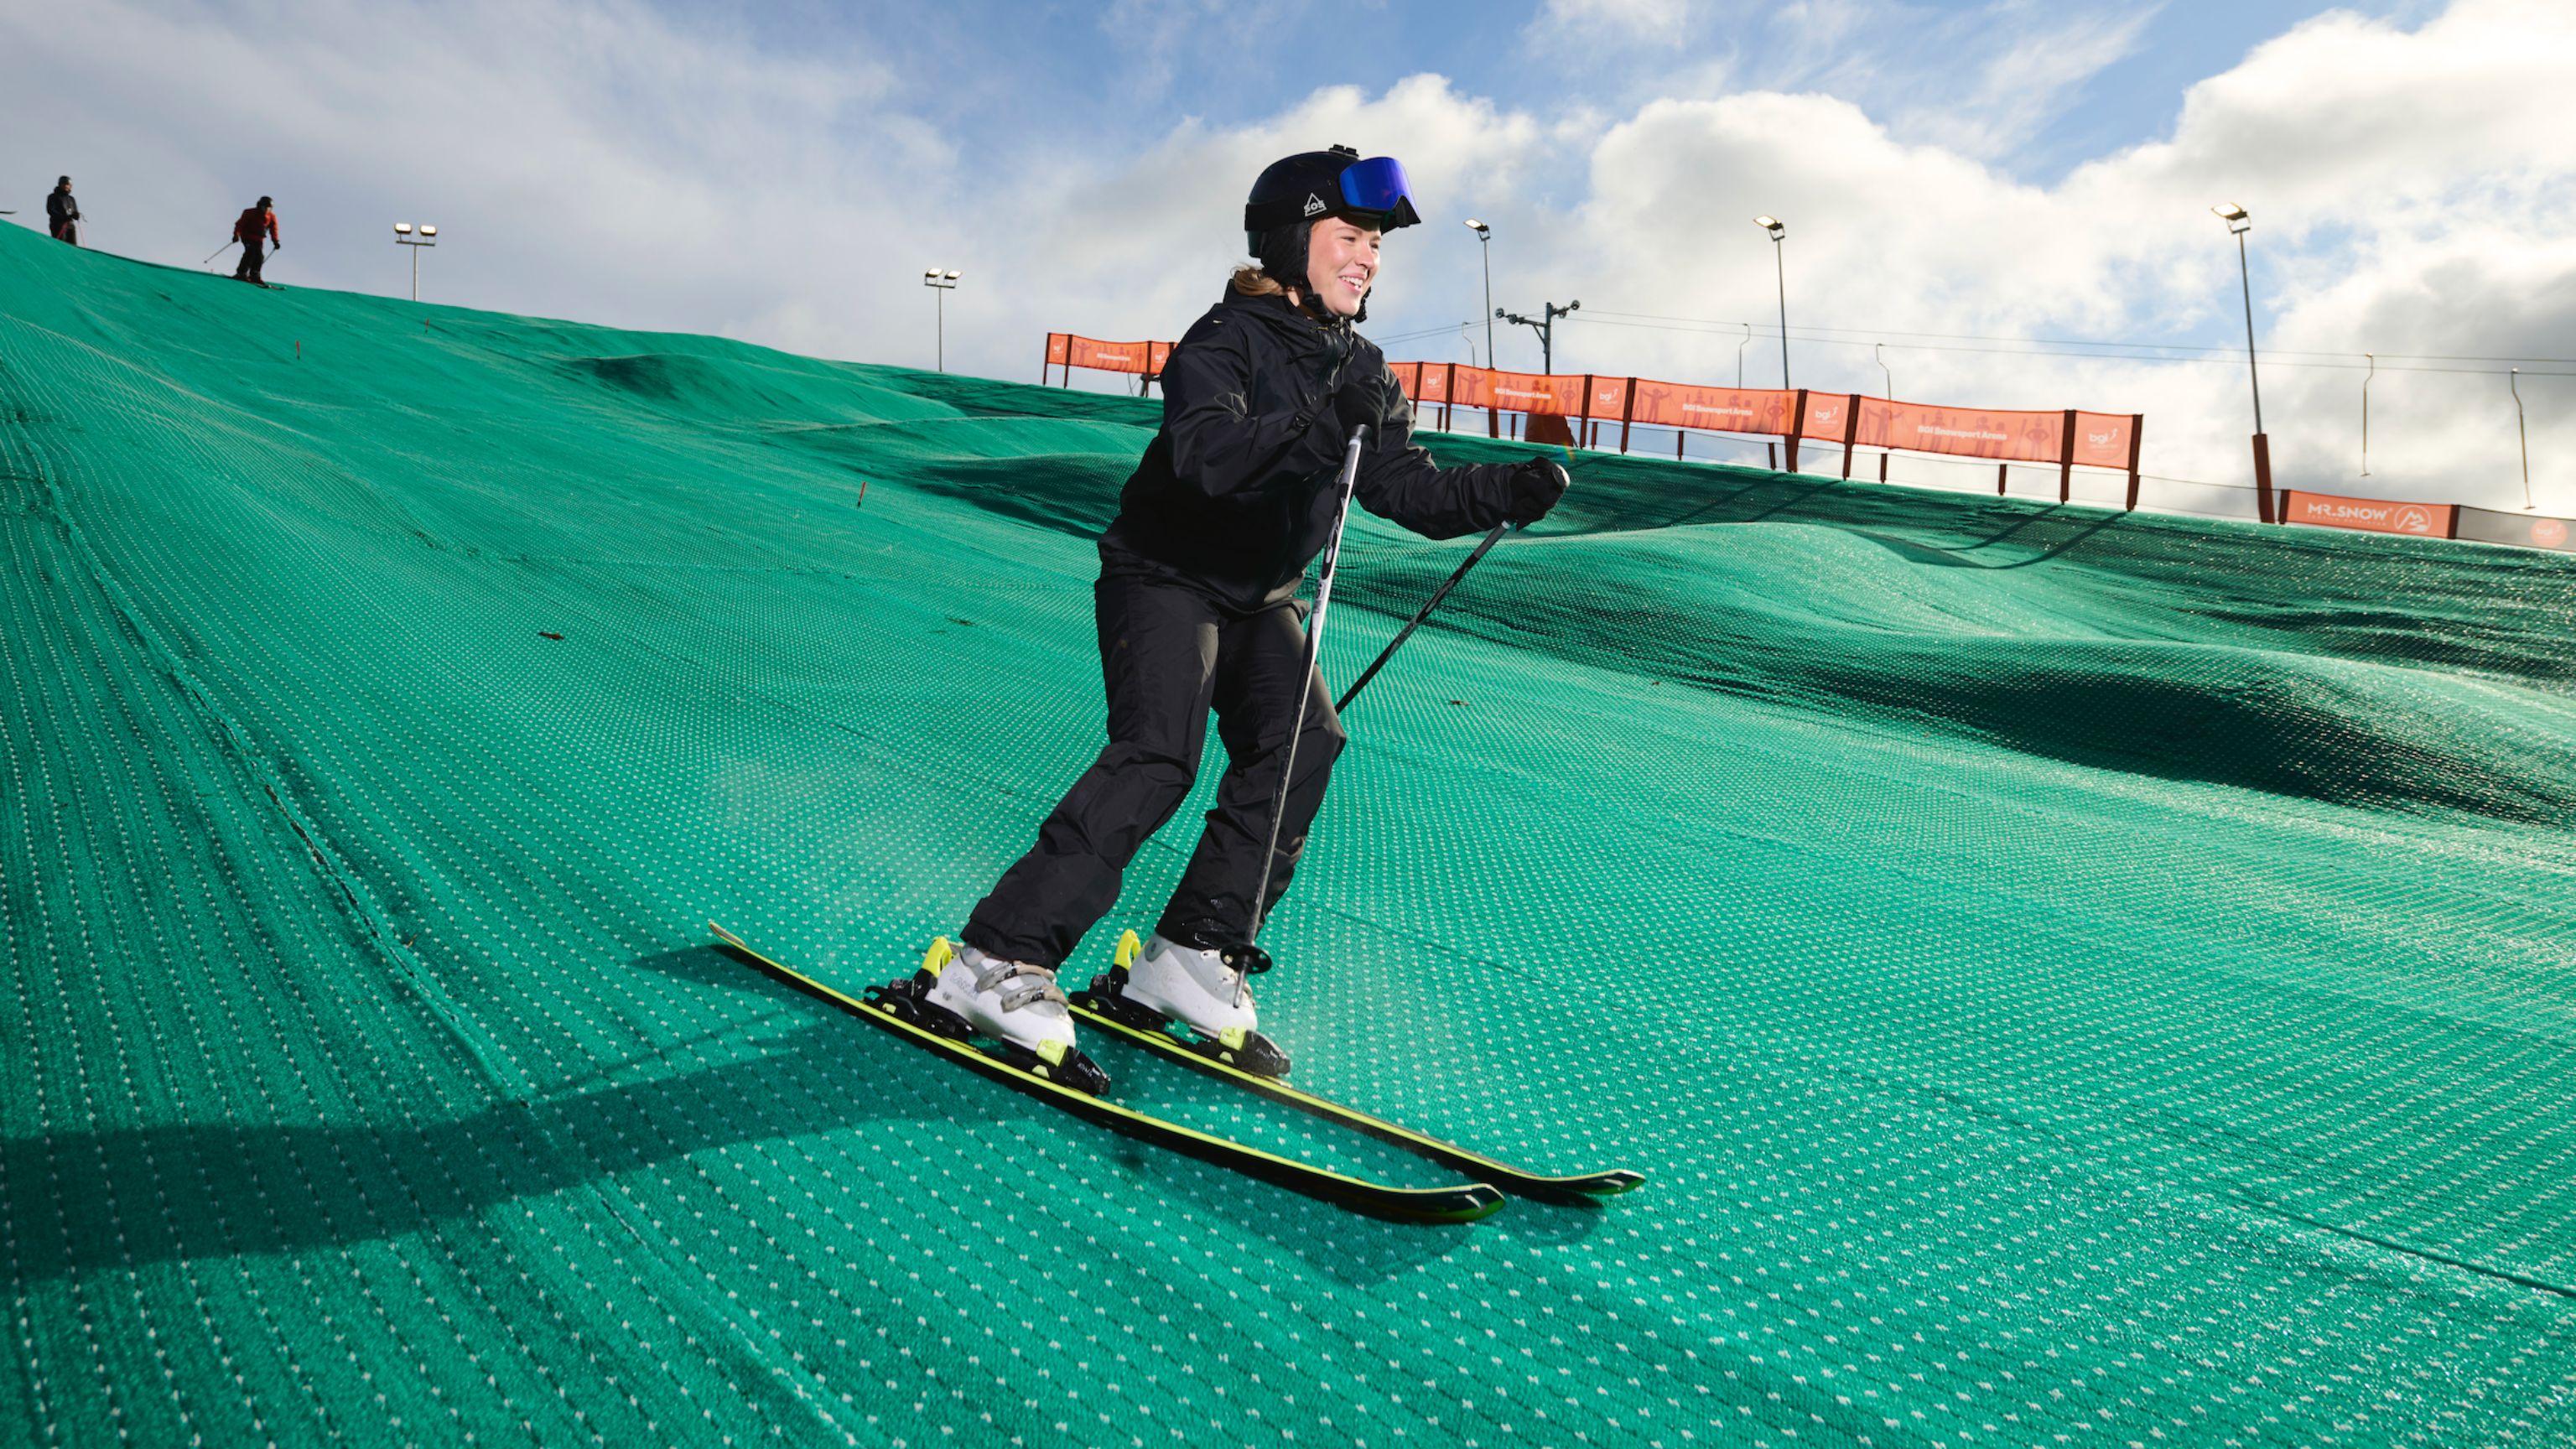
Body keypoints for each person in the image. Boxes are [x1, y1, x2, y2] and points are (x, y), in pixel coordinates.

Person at [931, 145, 1570, 1072]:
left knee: (1306, 741)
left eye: (1378, 246)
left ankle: (1190, 953)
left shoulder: (1364, 366)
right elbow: (1207, 458)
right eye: (1350, 236)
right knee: (1158, 754)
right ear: (1291, 239)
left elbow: (1405, 488)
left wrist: (1503, 492)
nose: (1368, 258)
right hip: (1165, 575)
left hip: (1258, 596)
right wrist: (1319, 419)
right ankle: (995, 959)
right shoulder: (1222, 340)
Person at [231, 197, 280, 283]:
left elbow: (274, 229)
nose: (266, 209)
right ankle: (241, 273)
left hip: (259, 239)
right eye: (264, 207)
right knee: (250, 252)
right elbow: (240, 224)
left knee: (260, 256)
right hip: (247, 236)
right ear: (260, 206)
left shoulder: (271, 217)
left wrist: (275, 241)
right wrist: (236, 235)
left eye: (269, 208)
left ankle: (254, 275)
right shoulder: (249, 213)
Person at [45, 177, 80, 245]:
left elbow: (75, 211)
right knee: (60, 244)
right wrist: (63, 217)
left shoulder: (71, 199)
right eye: (64, 184)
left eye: (68, 185)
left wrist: (76, 215)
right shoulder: (53, 197)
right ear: (60, 184)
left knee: (73, 245)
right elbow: (51, 210)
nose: (66, 186)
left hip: (70, 225)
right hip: (58, 224)